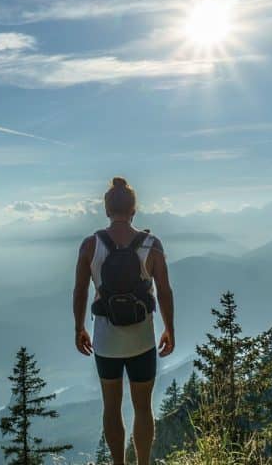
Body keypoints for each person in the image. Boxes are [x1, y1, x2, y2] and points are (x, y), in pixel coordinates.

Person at [72, 177, 175, 465]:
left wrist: (79, 327)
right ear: (134, 210)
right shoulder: (152, 245)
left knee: (111, 407)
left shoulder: (91, 245)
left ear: (106, 210)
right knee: (143, 408)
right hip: (142, 338)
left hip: (106, 340)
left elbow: (80, 290)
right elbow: (164, 291)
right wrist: (169, 329)